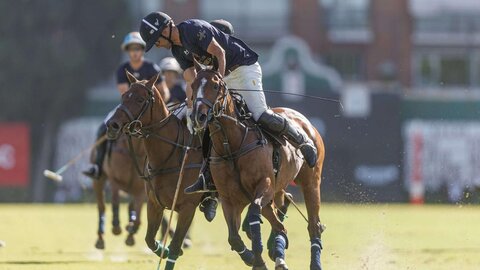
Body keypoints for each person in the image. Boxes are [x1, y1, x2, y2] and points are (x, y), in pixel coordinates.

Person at [138, 12, 318, 195]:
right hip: (221, 78)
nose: (158, 45)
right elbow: (191, 80)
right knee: (211, 123)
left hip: (243, 67)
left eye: (156, 40)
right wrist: (192, 108)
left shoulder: (192, 29)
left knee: (259, 114)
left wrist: (219, 80)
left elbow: (219, 52)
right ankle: (207, 177)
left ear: (165, 29)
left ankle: (302, 142)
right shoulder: (177, 51)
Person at [83, 32, 167, 179]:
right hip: (128, 108)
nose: (135, 52)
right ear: (128, 51)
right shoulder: (123, 69)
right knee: (104, 126)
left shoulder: (152, 68)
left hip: (151, 108)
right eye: (131, 49)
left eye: (138, 48)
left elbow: (164, 91)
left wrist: (161, 103)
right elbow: (124, 92)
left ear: (142, 50)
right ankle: (97, 166)